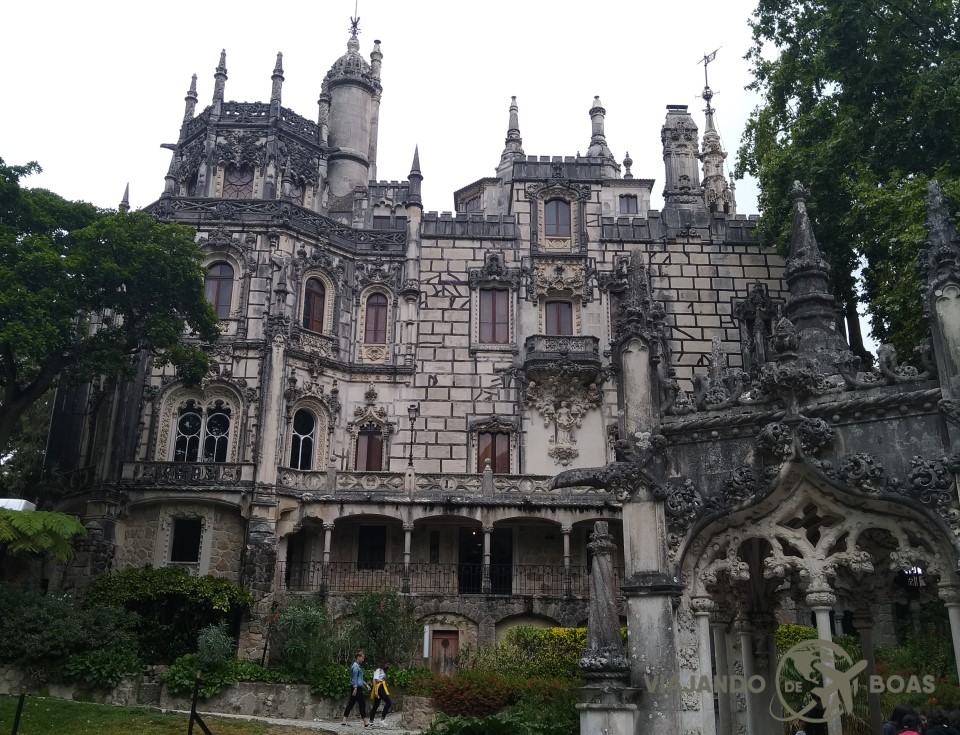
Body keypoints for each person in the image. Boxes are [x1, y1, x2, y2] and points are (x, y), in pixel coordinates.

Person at [341, 650, 370, 727]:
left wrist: (366, 684)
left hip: (357, 687)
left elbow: (360, 678)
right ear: (358, 657)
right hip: (356, 687)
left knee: (351, 703)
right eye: (362, 658)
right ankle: (365, 721)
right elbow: (354, 678)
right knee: (362, 703)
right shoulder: (355, 667)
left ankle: (344, 720)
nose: (363, 660)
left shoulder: (358, 666)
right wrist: (355, 688)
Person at [369, 661, 392, 727]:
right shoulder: (378, 670)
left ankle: (371, 721)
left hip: (382, 687)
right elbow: (374, 680)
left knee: (376, 705)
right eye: (387, 664)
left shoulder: (383, 670)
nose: (387, 666)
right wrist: (376, 691)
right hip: (379, 688)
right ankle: (382, 719)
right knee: (388, 702)